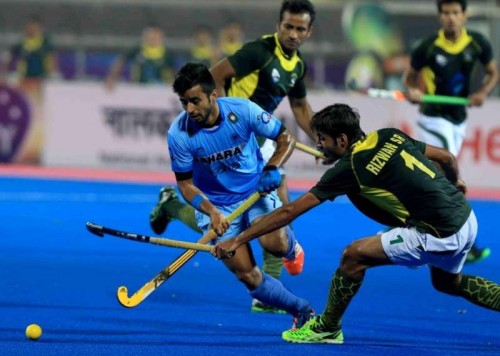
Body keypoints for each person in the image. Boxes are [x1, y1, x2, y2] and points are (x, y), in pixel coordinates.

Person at [212, 103, 500, 343]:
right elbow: (448, 158)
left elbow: (288, 213)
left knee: (353, 256)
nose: (319, 147)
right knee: (448, 282)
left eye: (323, 140)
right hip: (466, 218)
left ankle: (327, 327)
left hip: (438, 233)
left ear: (342, 140)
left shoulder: (349, 168)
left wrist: (238, 240)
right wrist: (454, 183)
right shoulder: (389, 135)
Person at [150, 0, 317, 313]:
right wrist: (220, 126)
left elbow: (298, 112)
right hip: (233, 155)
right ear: (278, 24)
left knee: (276, 210)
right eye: (288, 26)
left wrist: (322, 142)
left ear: (309, 32)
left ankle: (285, 252)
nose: (293, 34)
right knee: (242, 234)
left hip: (253, 132)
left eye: (299, 29)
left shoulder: (296, 66)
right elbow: (217, 74)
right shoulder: (258, 53)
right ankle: (273, 290)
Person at [166, 62, 313, 328]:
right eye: (184, 102)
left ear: (213, 95)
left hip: (254, 193)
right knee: (247, 275)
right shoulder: (179, 134)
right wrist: (211, 211)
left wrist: (272, 167)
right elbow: (186, 185)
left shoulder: (243, 110)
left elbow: (286, 137)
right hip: (218, 205)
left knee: (274, 245)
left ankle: (292, 248)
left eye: (195, 101)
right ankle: (300, 309)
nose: (189, 109)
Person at [403, 0, 498, 263]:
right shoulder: (428, 47)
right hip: (433, 118)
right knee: (448, 176)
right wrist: (413, 92)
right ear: (439, 16)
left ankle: (406, 223)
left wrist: (482, 92)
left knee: (434, 178)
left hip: (458, 119)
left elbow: (493, 72)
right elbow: (408, 80)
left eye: (456, 12)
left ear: (464, 15)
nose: (451, 18)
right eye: (446, 13)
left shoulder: (478, 42)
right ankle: (467, 242)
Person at [105, 25, 174, 90]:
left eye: (155, 37)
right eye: (150, 37)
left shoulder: (167, 54)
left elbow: (174, 72)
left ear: (161, 38)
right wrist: (111, 78)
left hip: (159, 88)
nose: (153, 39)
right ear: (145, 37)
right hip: (138, 87)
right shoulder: (137, 50)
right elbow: (120, 62)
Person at [0, 16, 58, 83]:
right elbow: (10, 57)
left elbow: (52, 58)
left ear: (39, 28)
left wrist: (50, 71)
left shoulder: (45, 43)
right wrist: (4, 72)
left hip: (41, 77)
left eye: (34, 27)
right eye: (29, 27)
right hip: (25, 77)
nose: (31, 29)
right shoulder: (22, 42)